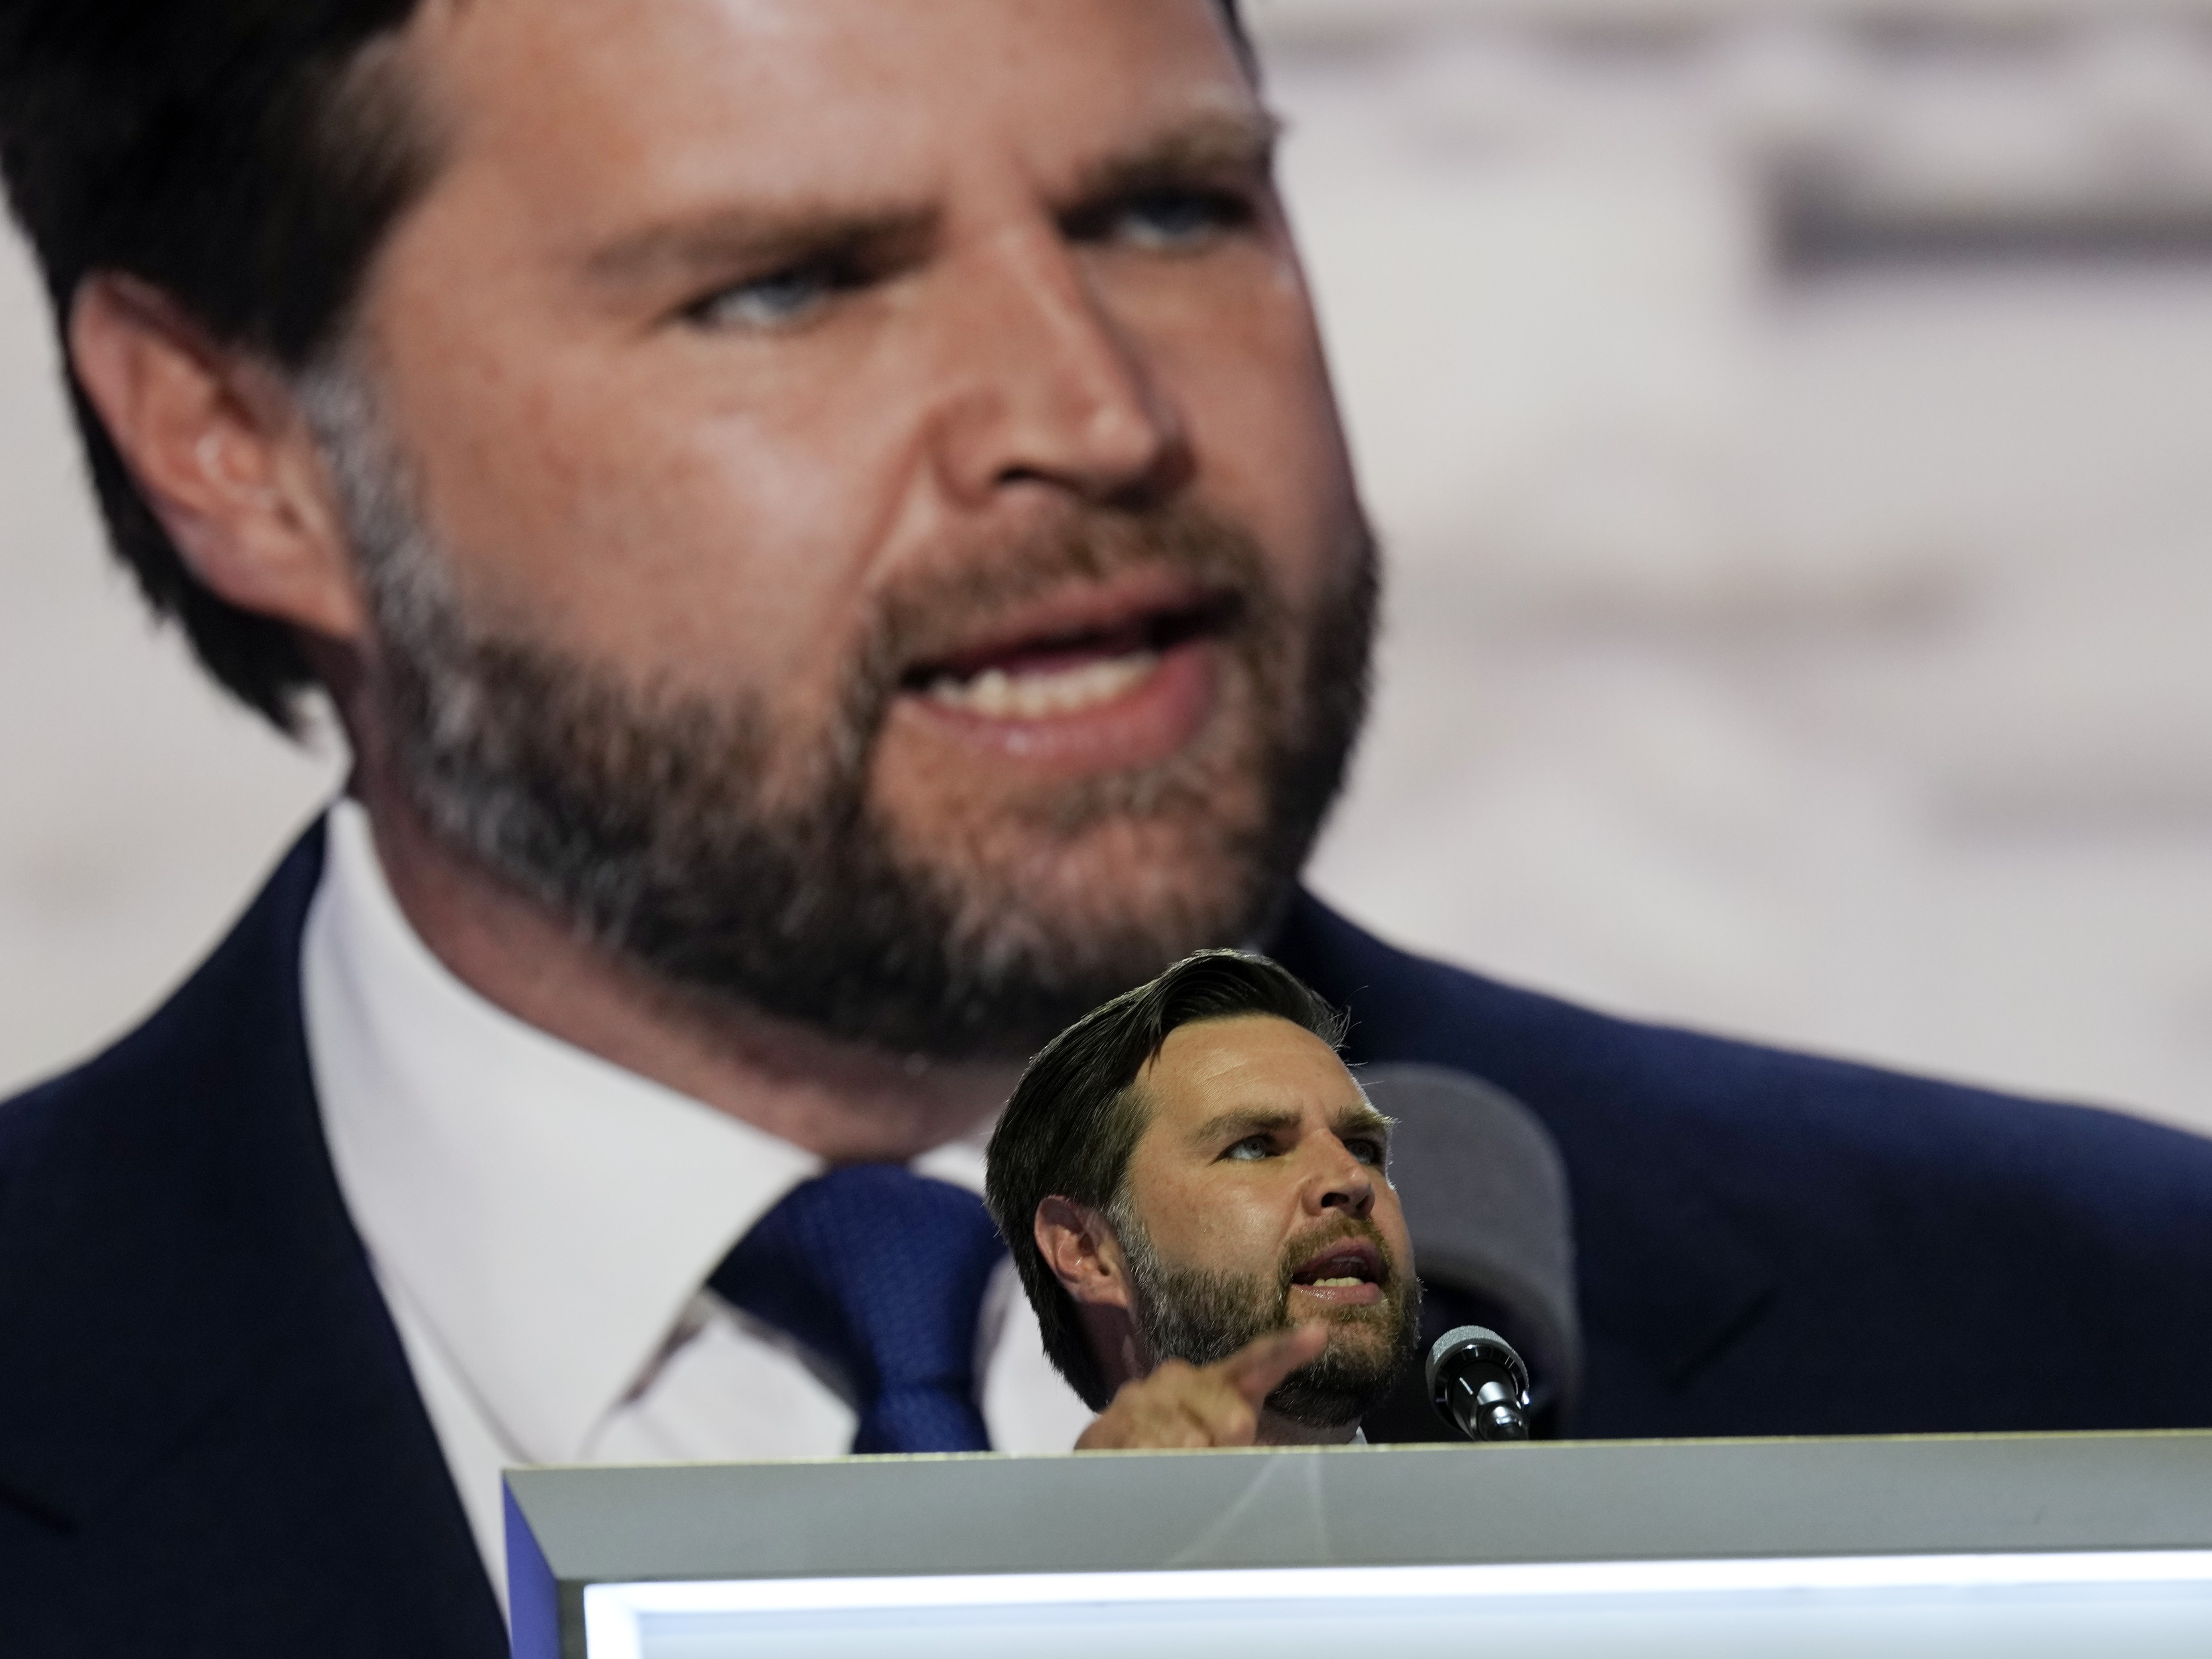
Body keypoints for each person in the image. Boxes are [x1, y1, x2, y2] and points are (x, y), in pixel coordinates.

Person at [4, 0, 2212, 1652]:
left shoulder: (2103, 1351)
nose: (1096, 412)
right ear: (235, 442)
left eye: (1167, 210)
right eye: (788, 283)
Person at [985, 951, 1423, 1452]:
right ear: (1086, 1250)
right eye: (1255, 1147)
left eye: (1363, 1148)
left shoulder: (1504, 1521)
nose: (1351, 1179)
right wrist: (1104, 1520)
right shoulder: (997, 1529)